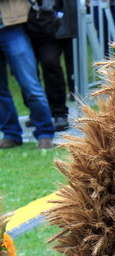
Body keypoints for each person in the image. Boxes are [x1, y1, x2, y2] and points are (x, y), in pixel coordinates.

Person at [0, 0, 55, 149]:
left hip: (13, 26)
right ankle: (10, 134)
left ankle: (45, 134)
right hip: (10, 27)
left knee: (30, 85)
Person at [27, 0, 77, 131]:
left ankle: (59, 112)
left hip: (51, 23)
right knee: (28, 69)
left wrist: (59, 17)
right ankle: (36, 111)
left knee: (50, 63)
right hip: (23, 23)